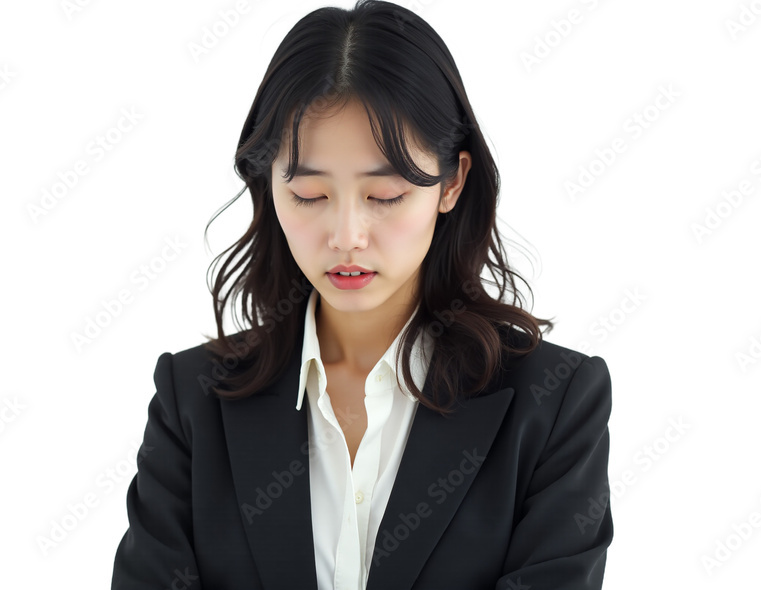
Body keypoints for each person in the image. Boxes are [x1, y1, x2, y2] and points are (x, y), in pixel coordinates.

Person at [110, 1, 613, 588]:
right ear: (268, 185)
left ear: (451, 182)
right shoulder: (191, 404)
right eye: (308, 195)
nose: (346, 236)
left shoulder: (554, 406)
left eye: (386, 195)